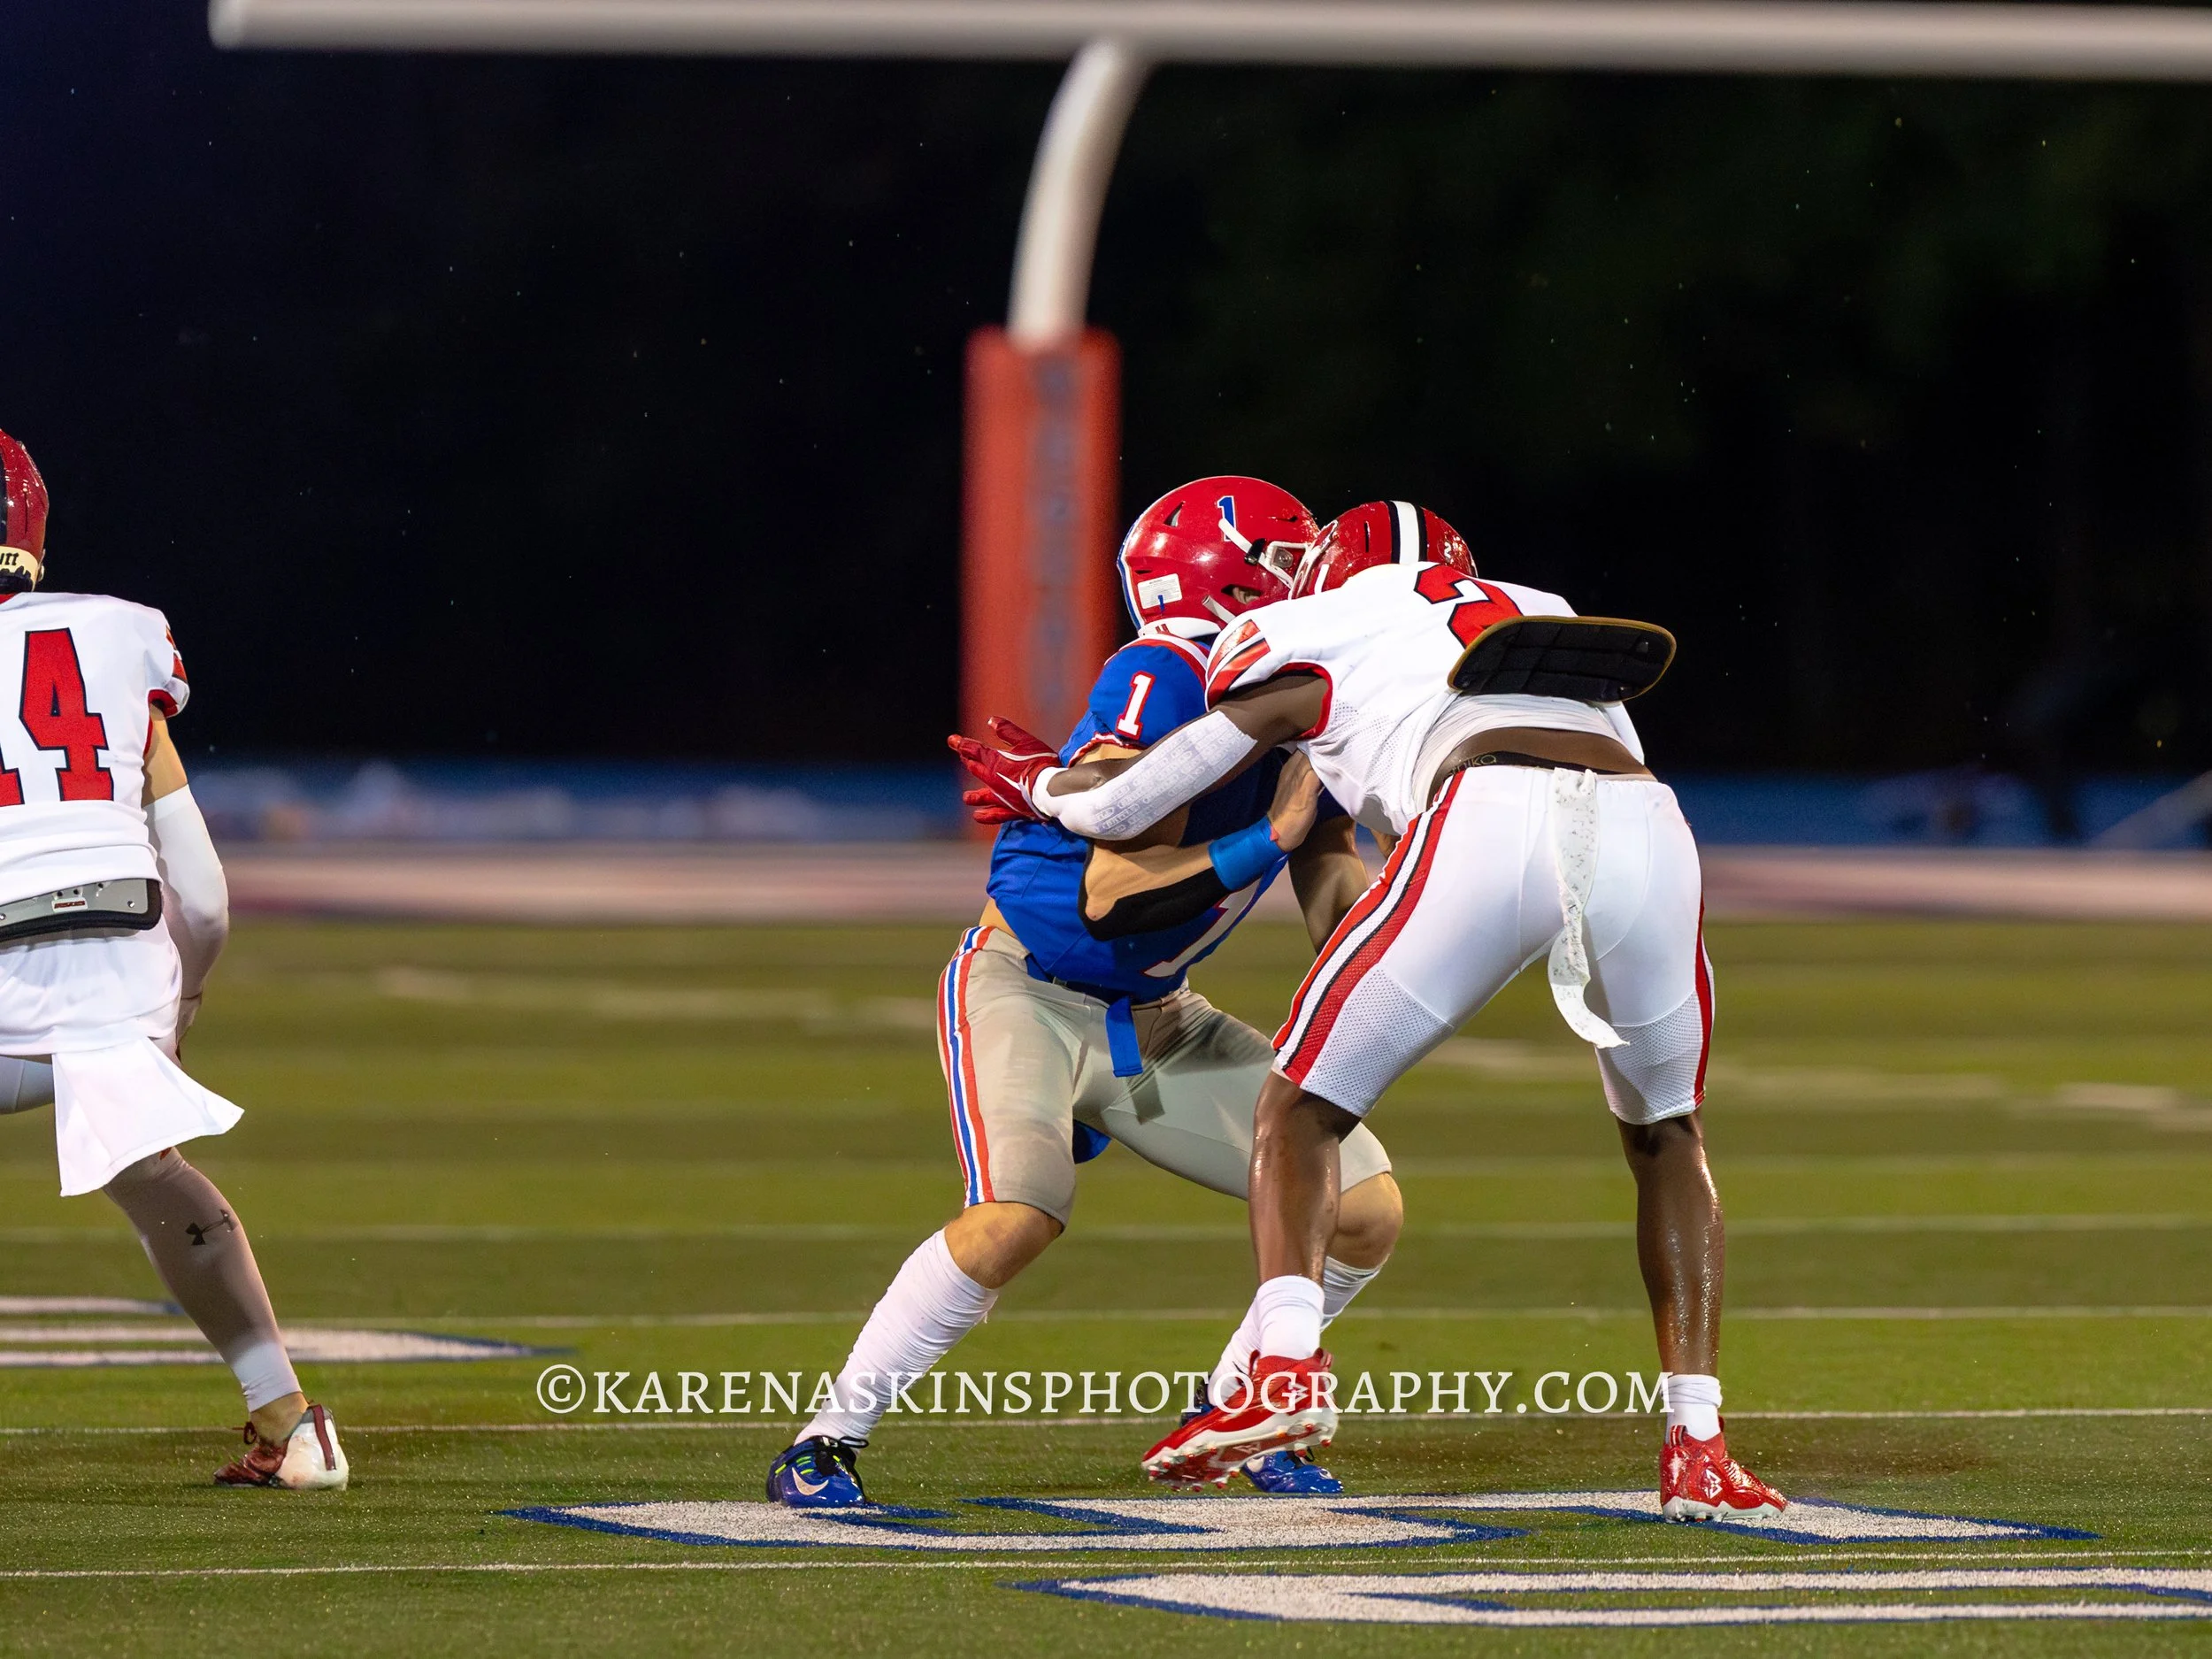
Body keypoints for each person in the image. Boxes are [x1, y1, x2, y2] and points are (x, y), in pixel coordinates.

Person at [956, 498, 1785, 1523]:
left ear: (1324, 571)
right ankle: (1699, 1446)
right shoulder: (1538, 604)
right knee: (1666, 1134)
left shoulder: (1311, 623)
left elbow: (1125, 804)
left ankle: (1283, 1370)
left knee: (1299, 1106)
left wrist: (1043, 785)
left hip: (1486, 812)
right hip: (1648, 825)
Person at [766, 477, 1404, 1507]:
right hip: (1029, 987)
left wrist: (1412, 916)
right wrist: (1272, 833)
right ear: (1229, 580)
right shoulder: (1168, 672)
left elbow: (1331, 877)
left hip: (1158, 1018)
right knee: (1016, 1215)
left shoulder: (1297, 695)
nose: (1320, 587)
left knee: (1364, 1208)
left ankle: (1240, 1413)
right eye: (1294, 567)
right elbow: (1113, 896)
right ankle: (827, 1439)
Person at [0, 431, 346, 1491]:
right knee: (149, 1170)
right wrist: (178, 1003)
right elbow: (202, 890)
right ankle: (292, 1425)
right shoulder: (119, 635)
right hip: (124, 970)